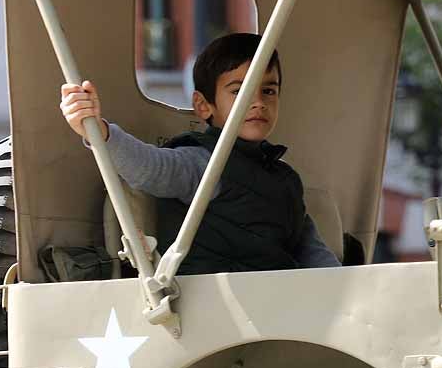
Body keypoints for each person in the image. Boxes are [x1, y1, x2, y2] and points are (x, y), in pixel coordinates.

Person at [60, 32, 340, 274]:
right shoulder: (200, 162)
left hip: (279, 304)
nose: (258, 103)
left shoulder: (285, 178)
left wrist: (345, 291)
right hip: (215, 310)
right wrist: (100, 131)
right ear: (204, 106)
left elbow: (311, 250)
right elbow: (150, 168)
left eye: (268, 90)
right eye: (239, 91)